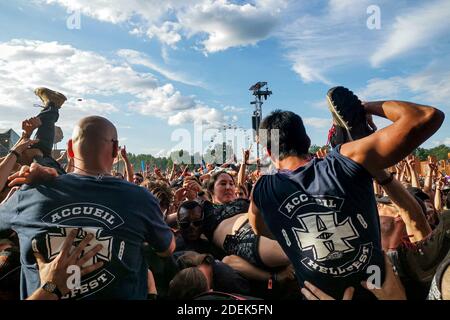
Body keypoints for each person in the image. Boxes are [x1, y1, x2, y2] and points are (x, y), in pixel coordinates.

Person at [249, 86, 444, 299]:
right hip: (380, 289)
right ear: (306, 141)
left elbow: (259, 229)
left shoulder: (262, 190)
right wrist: (365, 108)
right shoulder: (343, 161)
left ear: (269, 152)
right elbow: (426, 116)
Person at [0, 115, 175, 299]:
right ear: (115, 149)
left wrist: (27, 189)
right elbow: (167, 249)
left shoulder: (29, 194)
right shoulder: (141, 199)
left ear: (69, 149)